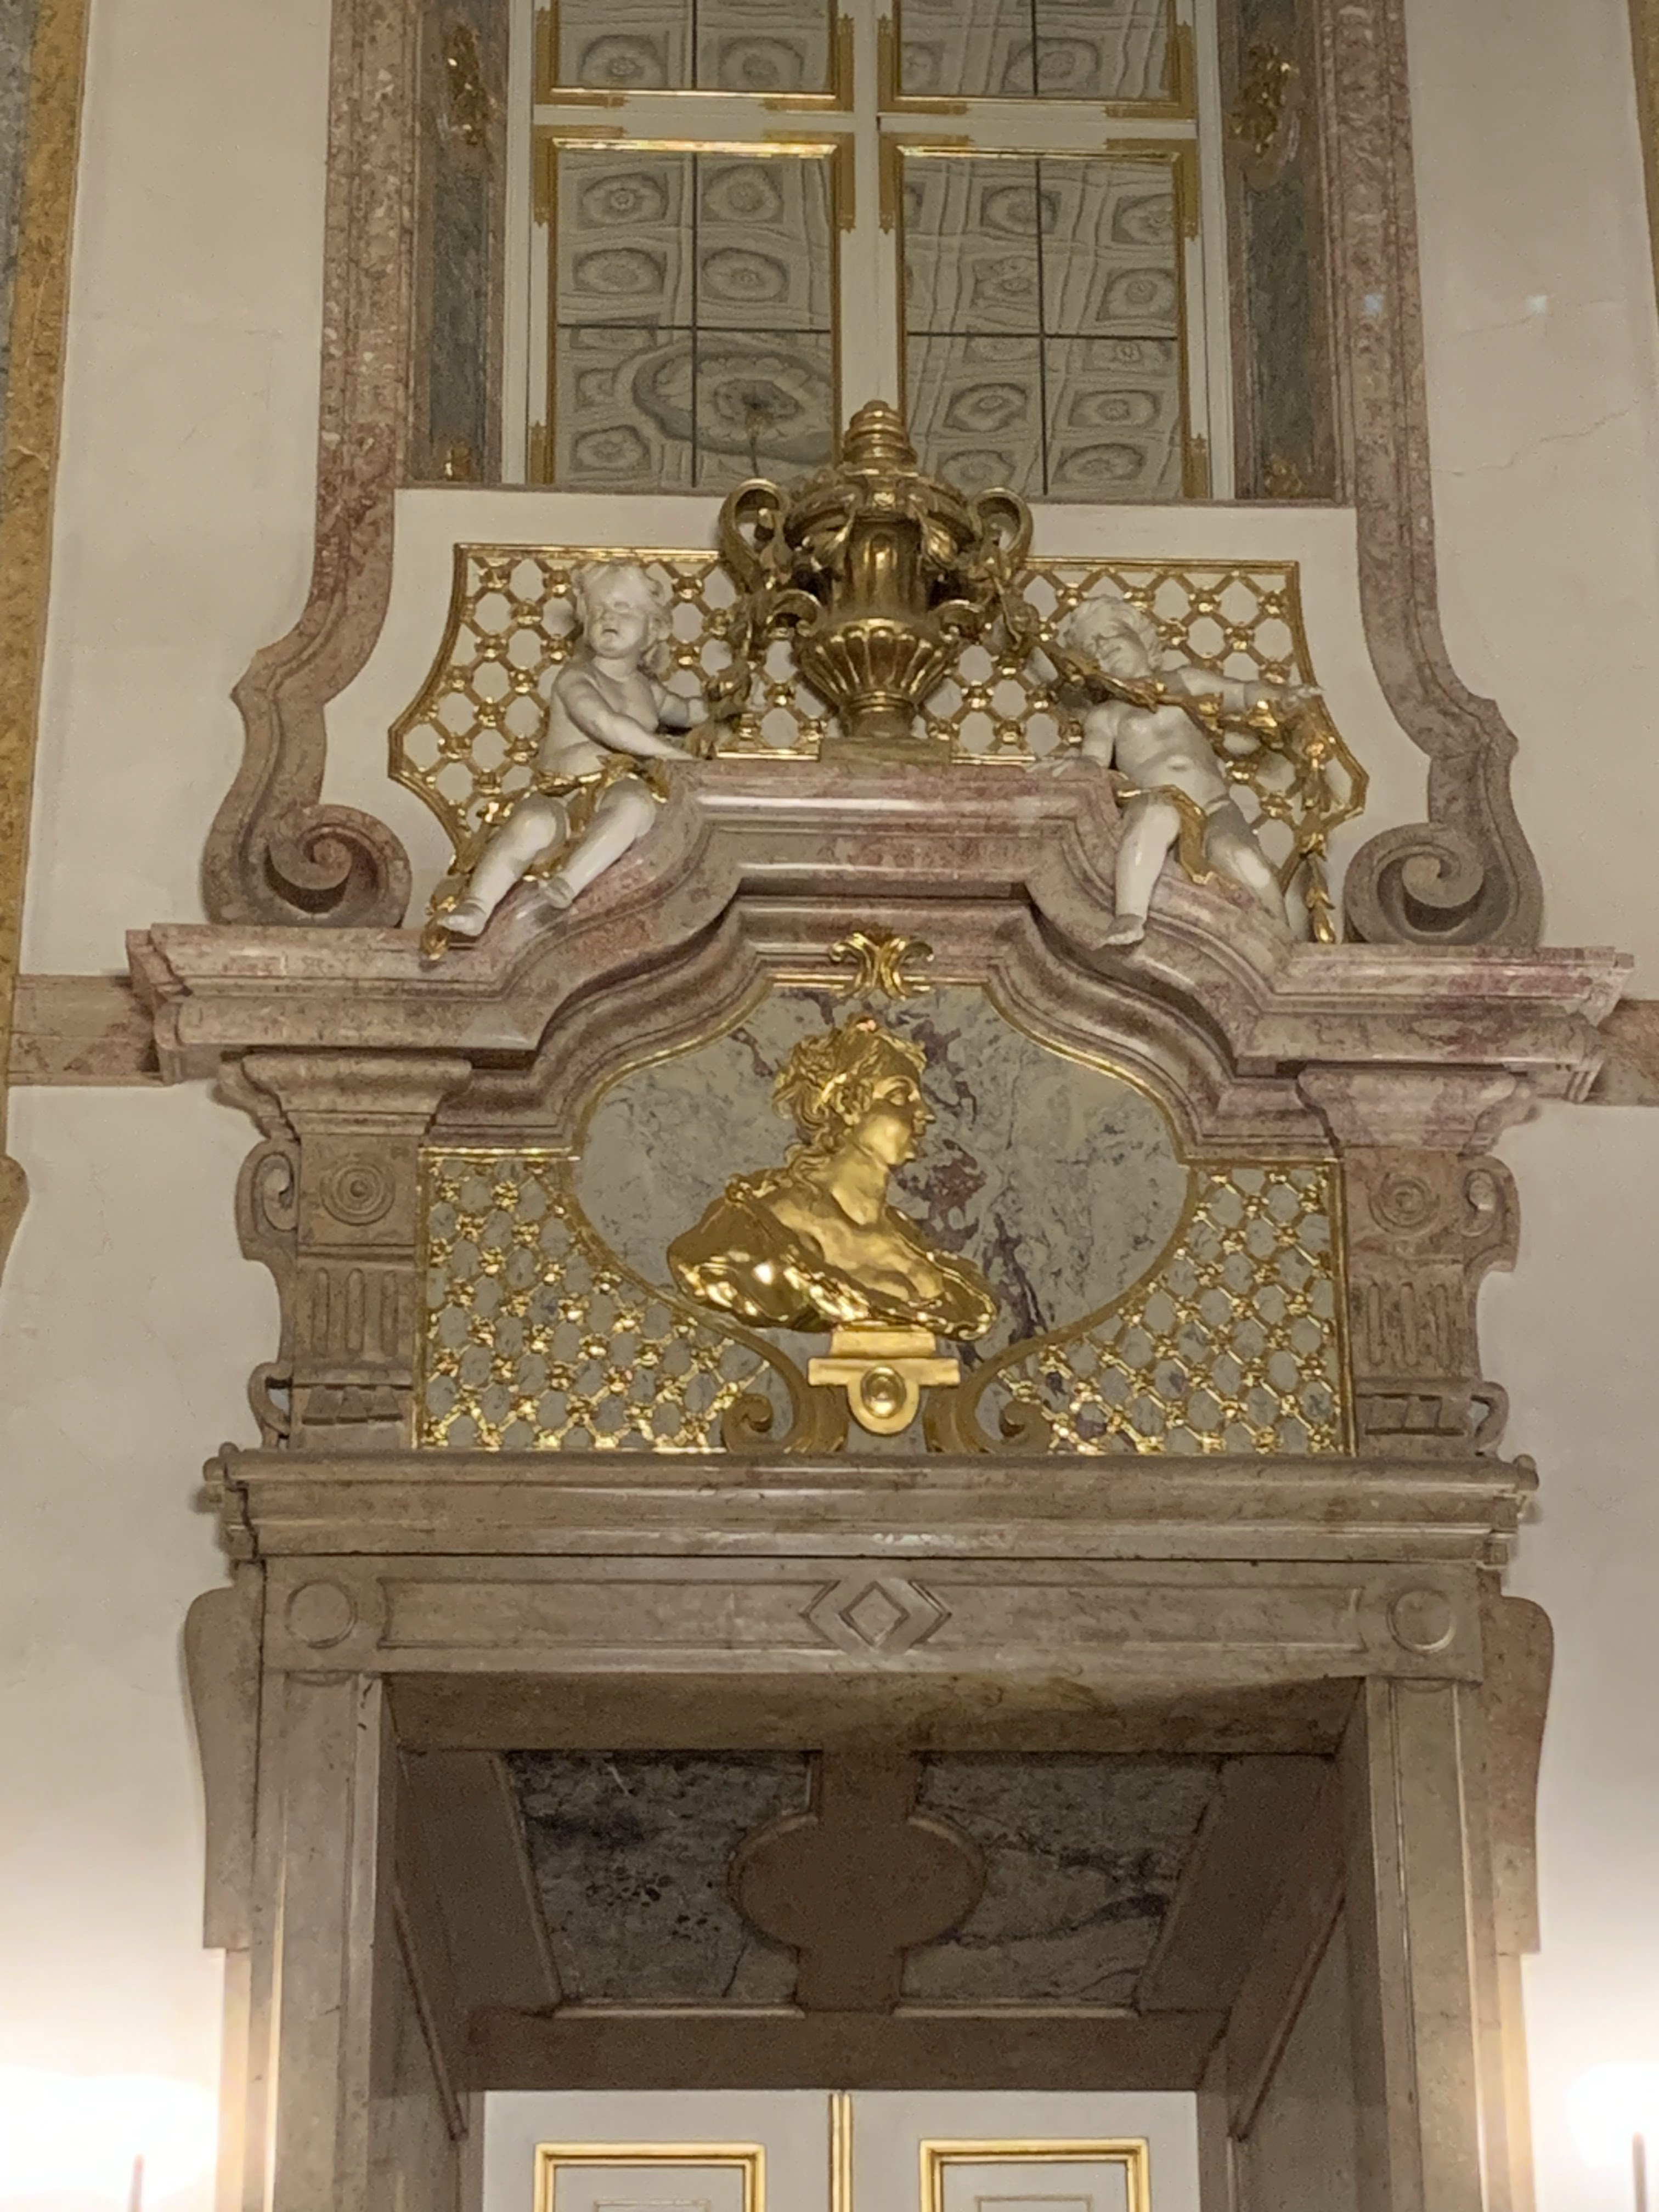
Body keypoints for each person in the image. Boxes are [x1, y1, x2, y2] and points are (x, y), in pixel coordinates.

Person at [668, 1014, 996, 1341]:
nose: (926, 1114)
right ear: (847, 1104)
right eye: (899, 1096)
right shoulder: (755, 1234)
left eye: (919, 1098)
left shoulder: (908, 1237)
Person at [442, 560, 710, 940]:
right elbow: (606, 724)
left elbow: (690, 712)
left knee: (636, 805)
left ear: (653, 629)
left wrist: (725, 704)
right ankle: (477, 905)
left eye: (622, 608)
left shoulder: (650, 692)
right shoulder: (577, 676)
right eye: (598, 610)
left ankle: (570, 881)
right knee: (531, 824)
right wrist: (677, 758)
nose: (607, 617)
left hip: (614, 790)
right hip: (560, 792)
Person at [1052, 588, 1319, 948]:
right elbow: (1094, 762)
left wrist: (1280, 698)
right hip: (1156, 796)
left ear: (1142, 638)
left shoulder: (1187, 682)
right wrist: (1073, 766)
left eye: (1112, 634)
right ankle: (1129, 914)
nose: (1104, 647)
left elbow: (1241, 694)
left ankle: (1284, 938)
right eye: (1092, 647)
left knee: (1240, 856)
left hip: (1215, 804)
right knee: (1152, 819)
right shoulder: (1107, 715)